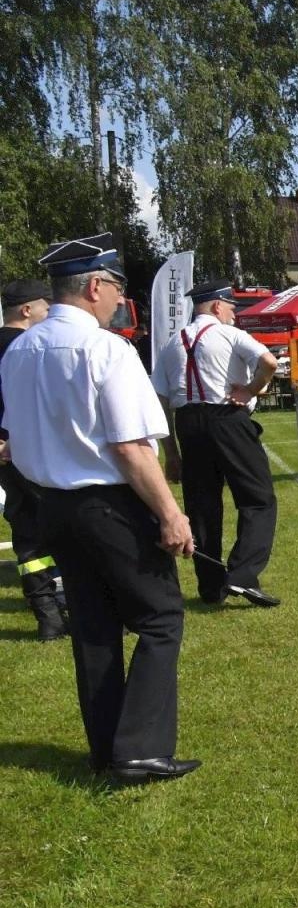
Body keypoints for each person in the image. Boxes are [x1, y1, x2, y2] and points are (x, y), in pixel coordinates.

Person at [0, 233, 199, 782]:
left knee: (93, 627)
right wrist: (170, 514)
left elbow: (16, 433)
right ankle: (139, 748)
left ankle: (106, 749)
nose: (117, 299)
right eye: (115, 287)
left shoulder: (19, 349)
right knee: (161, 617)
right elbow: (132, 447)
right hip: (107, 502)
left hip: (52, 506)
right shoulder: (105, 348)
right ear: (94, 286)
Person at [151, 280, 281, 608]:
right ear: (217, 306)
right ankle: (242, 575)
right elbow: (270, 362)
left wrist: (172, 454)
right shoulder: (229, 334)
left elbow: (160, 401)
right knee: (257, 498)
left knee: (202, 506)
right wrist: (251, 390)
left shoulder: (171, 344)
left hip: (188, 425)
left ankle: (210, 587)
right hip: (227, 418)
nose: (235, 314)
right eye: (232, 307)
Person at [0, 279, 69, 639]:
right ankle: (80, 603)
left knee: (27, 538)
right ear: (27, 310)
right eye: (46, 308)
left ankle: (48, 618)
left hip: (8, 460)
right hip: (38, 453)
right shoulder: (32, 349)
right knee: (70, 529)